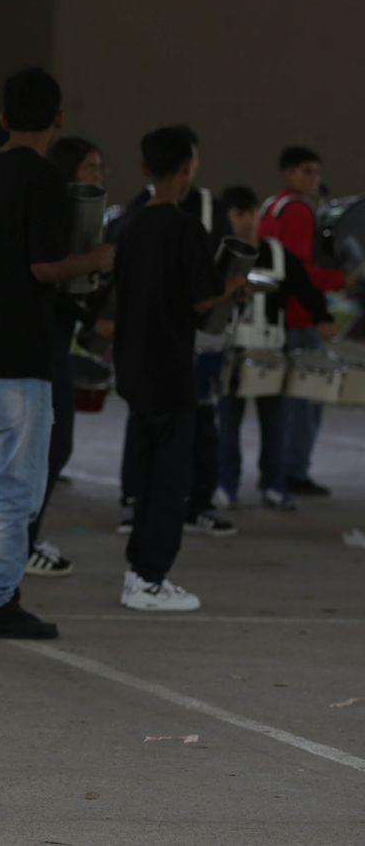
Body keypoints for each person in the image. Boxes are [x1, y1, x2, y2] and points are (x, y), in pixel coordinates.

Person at [0, 68, 112, 639]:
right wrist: (96, 260)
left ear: (4, 118)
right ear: (59, 118)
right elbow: (43, 266)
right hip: (18, 351)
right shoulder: (43, 181)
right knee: (17, 486)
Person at [114, 127, 249, 612]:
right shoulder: (185, 228)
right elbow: (202, 300)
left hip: (131, 364)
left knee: (147, 473)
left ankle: (139, 570)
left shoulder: (128, 224)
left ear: (146, 168)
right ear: (188, 169)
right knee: (171, 479)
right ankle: (149, 578)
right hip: (170, 367)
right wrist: (233, 286)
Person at [216, 186, 335, 510]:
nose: (248, 221)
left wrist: (322, 317)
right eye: (239, 214)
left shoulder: (279, 255)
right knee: (226, 426)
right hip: (230, 353)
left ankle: (273, 483)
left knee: (276, 424)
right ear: (226, 218)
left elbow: (307, 291)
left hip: (271, 353)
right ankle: (226, 483)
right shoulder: (220, 256)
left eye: (252, 213)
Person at [22, 135, 108, 578]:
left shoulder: (80, 216)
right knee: (49, 445)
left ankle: (24, 537)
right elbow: (45, 272)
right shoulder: (56, 211)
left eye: (99, 168)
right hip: (39, 343)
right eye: (89, 166)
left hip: (54, 340)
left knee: (51, 445)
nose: (96, 176)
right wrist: (94, 260)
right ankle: (22, 541)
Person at [259, 146, 345, 497]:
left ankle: (277, 471)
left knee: (283, 401)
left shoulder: (270, 207)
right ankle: (293, 470)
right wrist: (340, 280)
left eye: (316, 172)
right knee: (304, 400)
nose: (314, 179)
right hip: (300, 315)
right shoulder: (297, 211)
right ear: (288, 173)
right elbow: (301, 270)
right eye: (306, 171)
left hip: (277, 314)